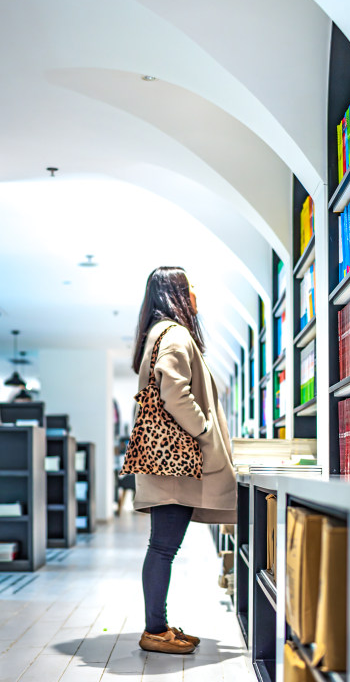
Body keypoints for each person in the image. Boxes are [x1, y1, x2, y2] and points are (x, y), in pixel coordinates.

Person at [130, 266, 237, 655]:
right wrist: (205, 429)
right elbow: (173, 390)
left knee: (162, 547)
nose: (196, 296)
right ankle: (154, 630)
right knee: (162, 548)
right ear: (176, 294)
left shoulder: (159, 334)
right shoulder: (174, 334)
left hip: (170, 464)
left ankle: (158, 626)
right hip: (176, 465)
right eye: (191, 289)